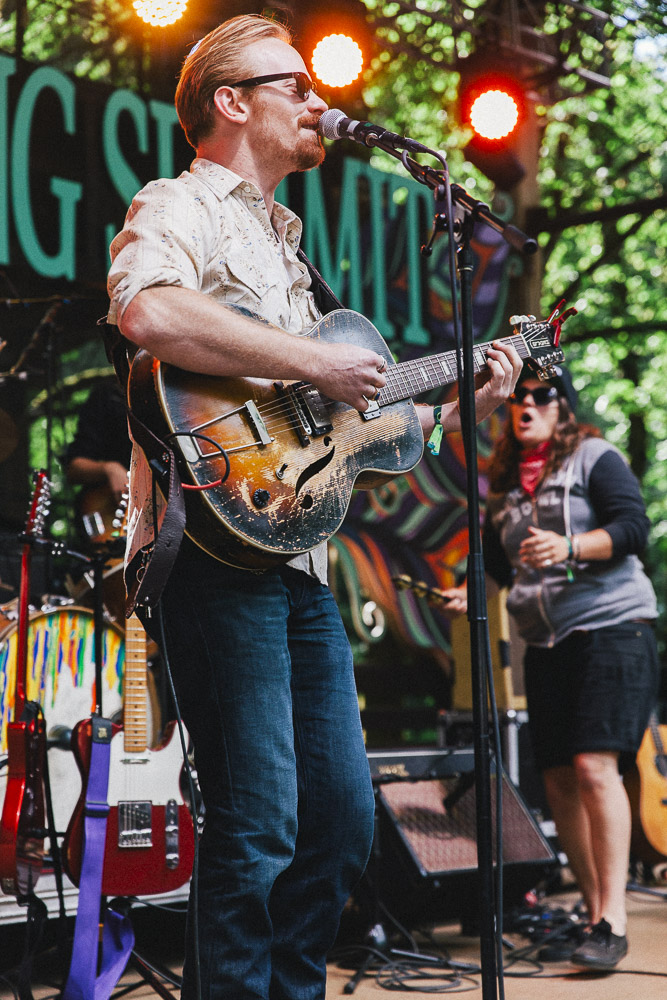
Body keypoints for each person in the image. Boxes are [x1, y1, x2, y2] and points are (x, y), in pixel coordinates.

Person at [105, 14, 523, 999]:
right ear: (231, 100)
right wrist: (312, 361)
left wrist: (469, 397)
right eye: (294, 81)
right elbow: (147, 311)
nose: (317, 99)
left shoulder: (292, 254)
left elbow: (361, 431)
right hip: (211, 558)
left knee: (339, 822)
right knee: (256, 826)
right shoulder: (179, 203)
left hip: (297, 561)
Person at [443, 365, 659, 971]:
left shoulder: (594, 457)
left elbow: (633, 530)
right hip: (546, 642)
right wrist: (469, 593)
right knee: (560, 778)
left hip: (612, 630)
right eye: (518, 398)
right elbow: (500, 567)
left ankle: (614, 918)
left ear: (563, 407)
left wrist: (570, 547)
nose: (527, 405)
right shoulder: (506, 483)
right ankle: (594, 916)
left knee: (595, 766)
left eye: (542, 396)